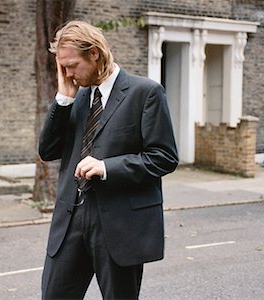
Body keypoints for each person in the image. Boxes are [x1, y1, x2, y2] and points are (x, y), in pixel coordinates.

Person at [39, 20, 178, 299]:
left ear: (94, 54)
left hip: (119, 224)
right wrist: (63, 100)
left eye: (71, 65)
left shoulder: (146, 92)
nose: (67, 73)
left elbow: (164, 157)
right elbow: (48, 151)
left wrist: (106, 167)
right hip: (71, 221)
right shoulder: (75, 96)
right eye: (62, 66)